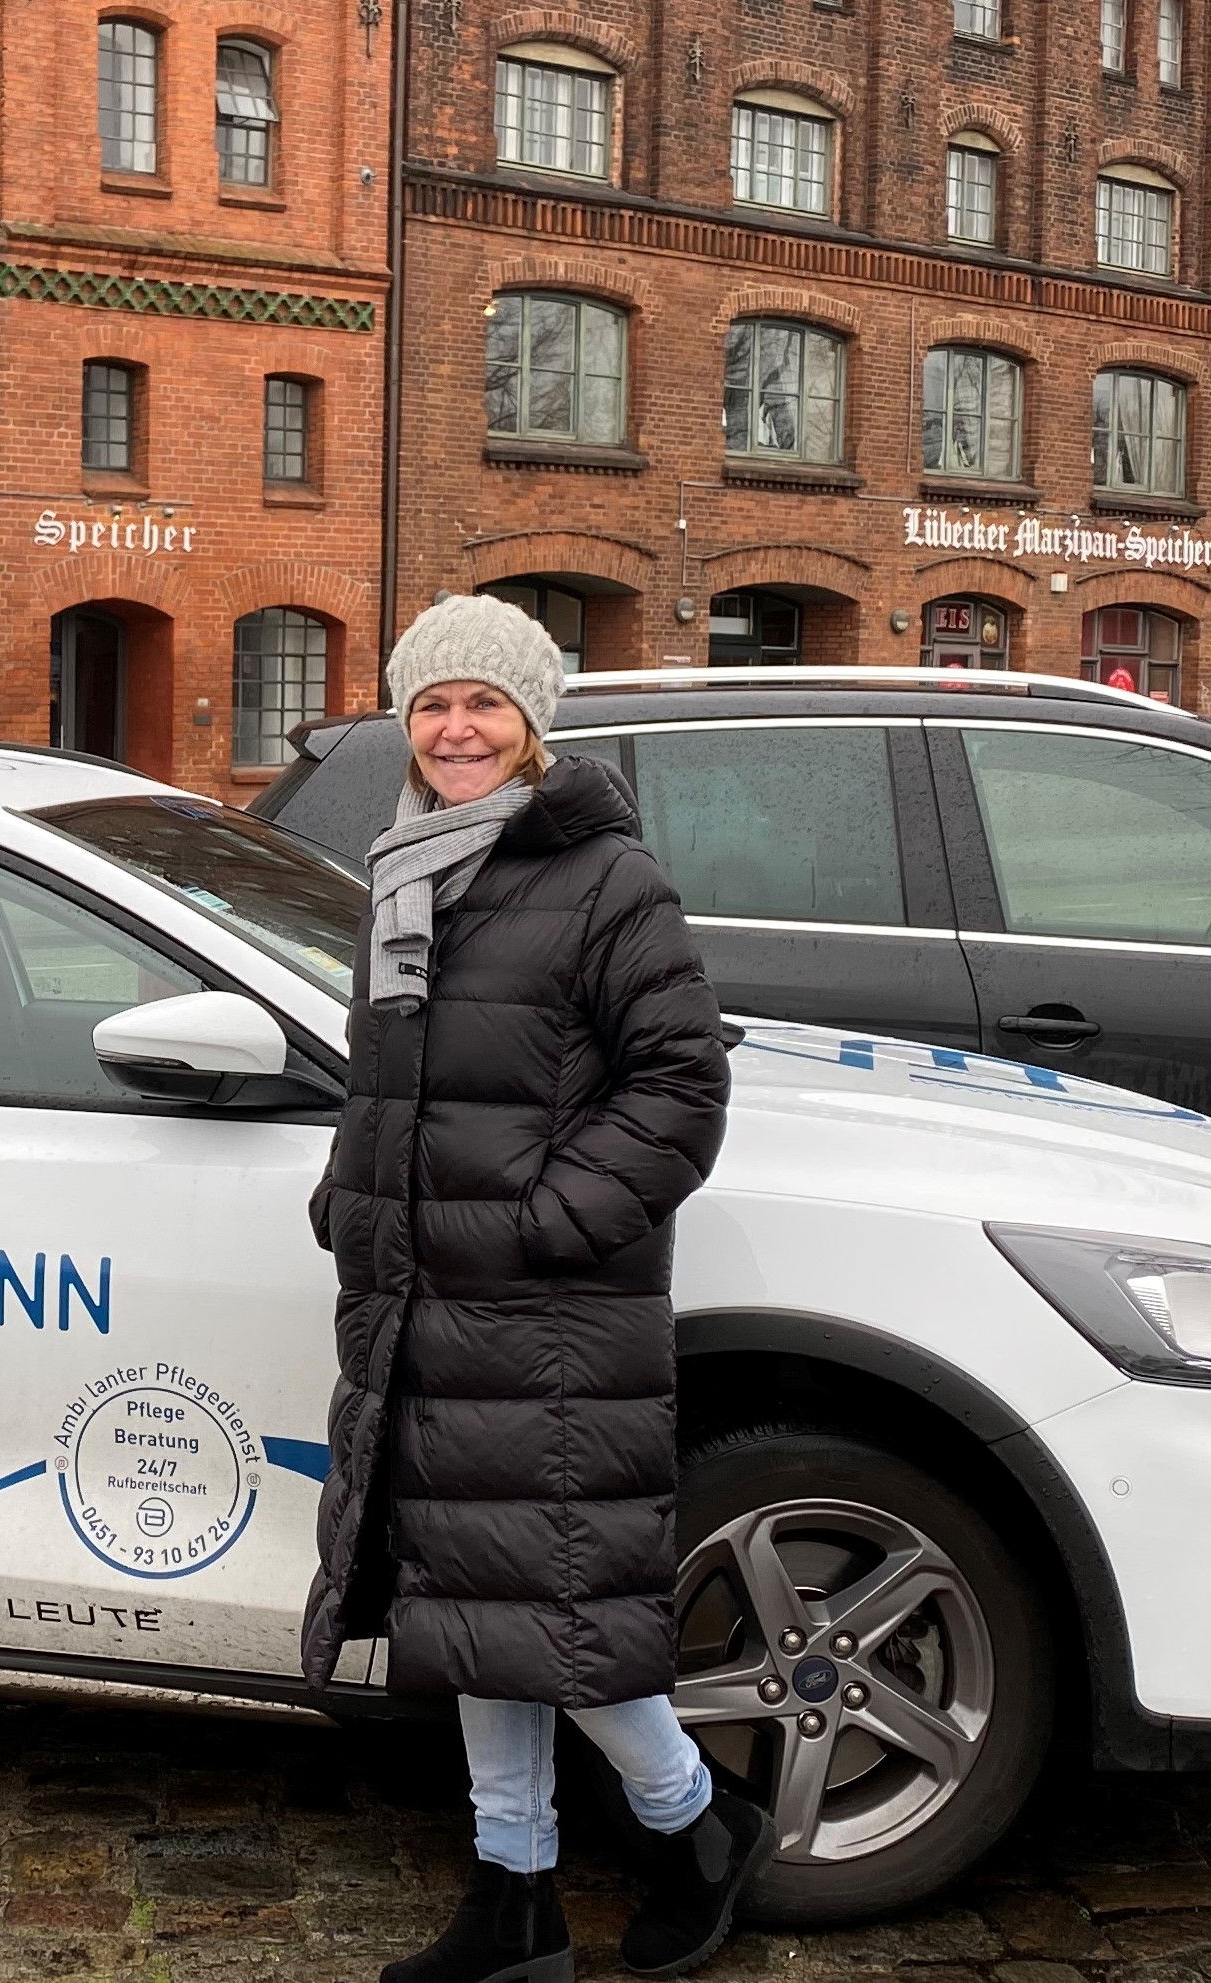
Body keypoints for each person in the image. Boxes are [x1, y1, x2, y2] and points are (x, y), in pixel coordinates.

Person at [302, 595, 761, 1983]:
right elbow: (388, 1073)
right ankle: (513, 1901)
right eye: (430, 702)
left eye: (481, 705)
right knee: (472, 1598)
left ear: (530, 725)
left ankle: (693, 1820)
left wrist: (545, 1221)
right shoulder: (403, 868)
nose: (453, 728)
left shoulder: (604, 877)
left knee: (551, 1600)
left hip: (543, 1309)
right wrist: (348, 1195)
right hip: (418, 1299)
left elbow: (679, 1087)